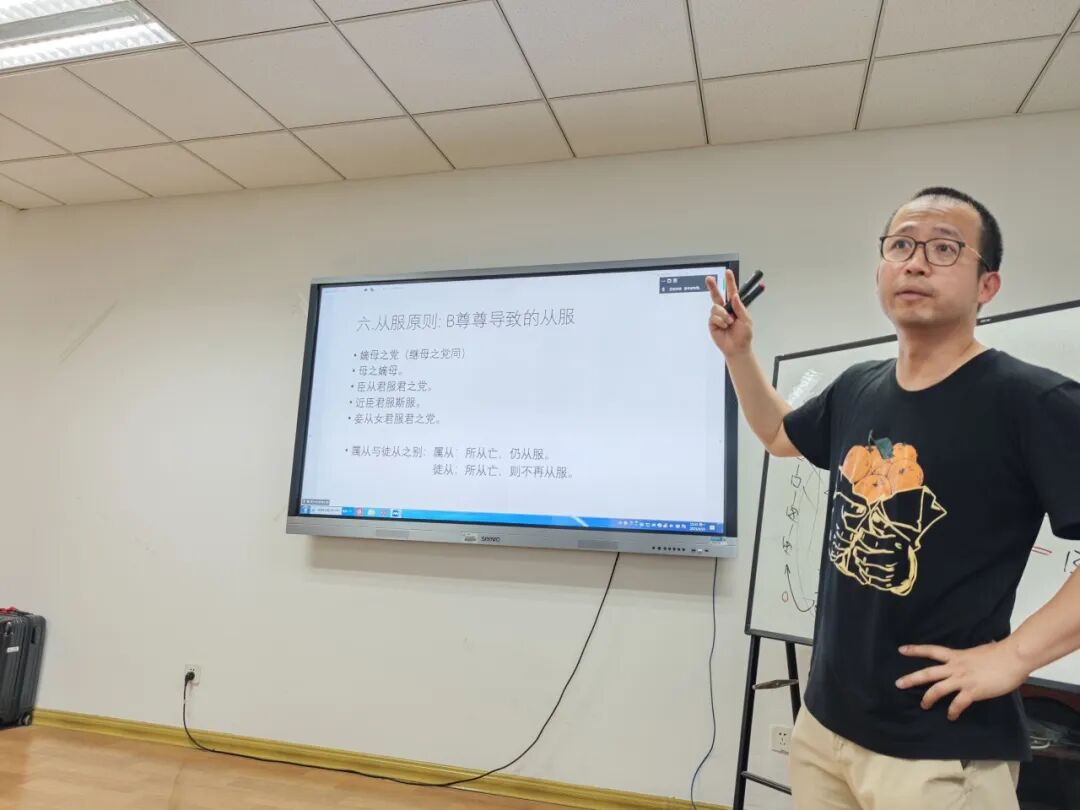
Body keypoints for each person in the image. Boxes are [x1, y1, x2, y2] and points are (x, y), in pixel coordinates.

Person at [707, 187, 1080, 809]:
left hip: (938, 747)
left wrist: (1014, 657)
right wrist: (740, 355)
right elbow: (778, 434)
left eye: (944, 249)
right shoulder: (860, 387)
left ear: (987, 285)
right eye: (901, 245)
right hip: (825, 727)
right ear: (881, 270)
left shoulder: (1031, 400)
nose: (916, 262)